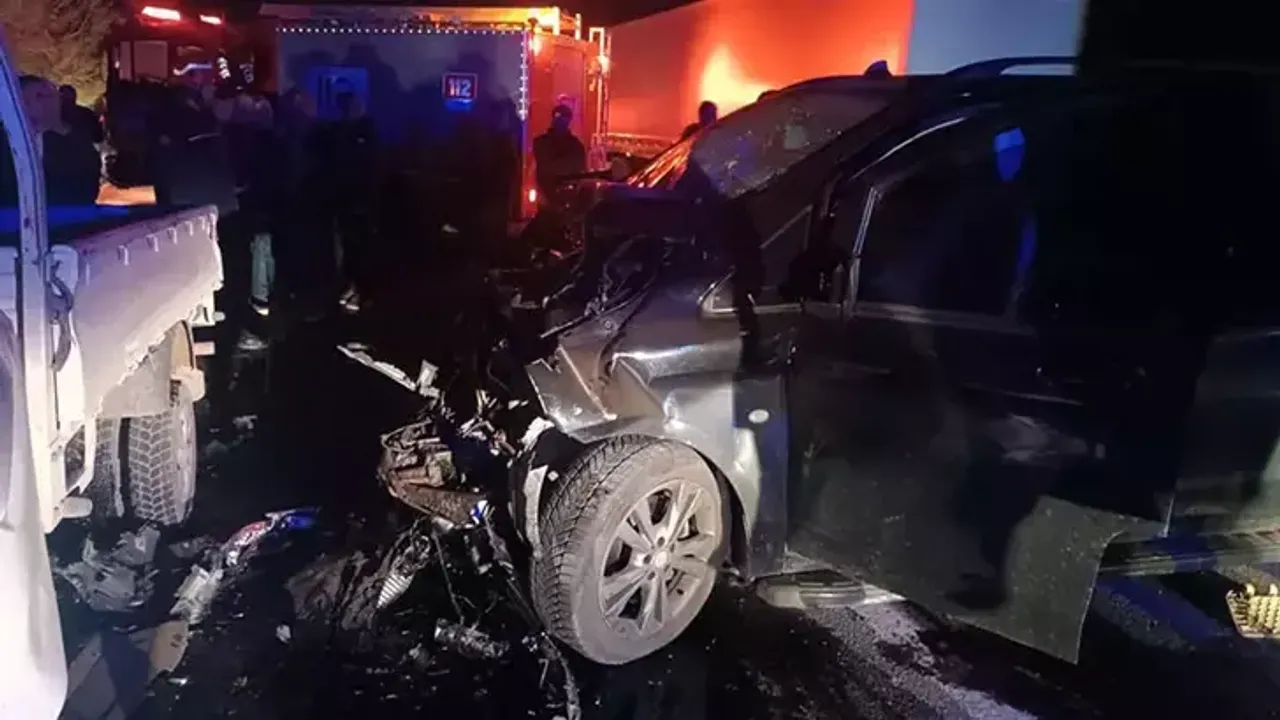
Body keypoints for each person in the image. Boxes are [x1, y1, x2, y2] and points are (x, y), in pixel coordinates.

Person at [19, 76, 100, 205]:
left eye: (47, 95)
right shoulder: (12, 144)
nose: (50, 100)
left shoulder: (79, 144)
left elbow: (87, 190)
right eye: (40, 96)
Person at [531, 103, 586, 199]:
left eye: (564, 118)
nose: (561, 121)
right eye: (559, 117)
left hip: (565, 194)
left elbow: (579, 169)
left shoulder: (576, 145)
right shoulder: (540, 142)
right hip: (546, 193)